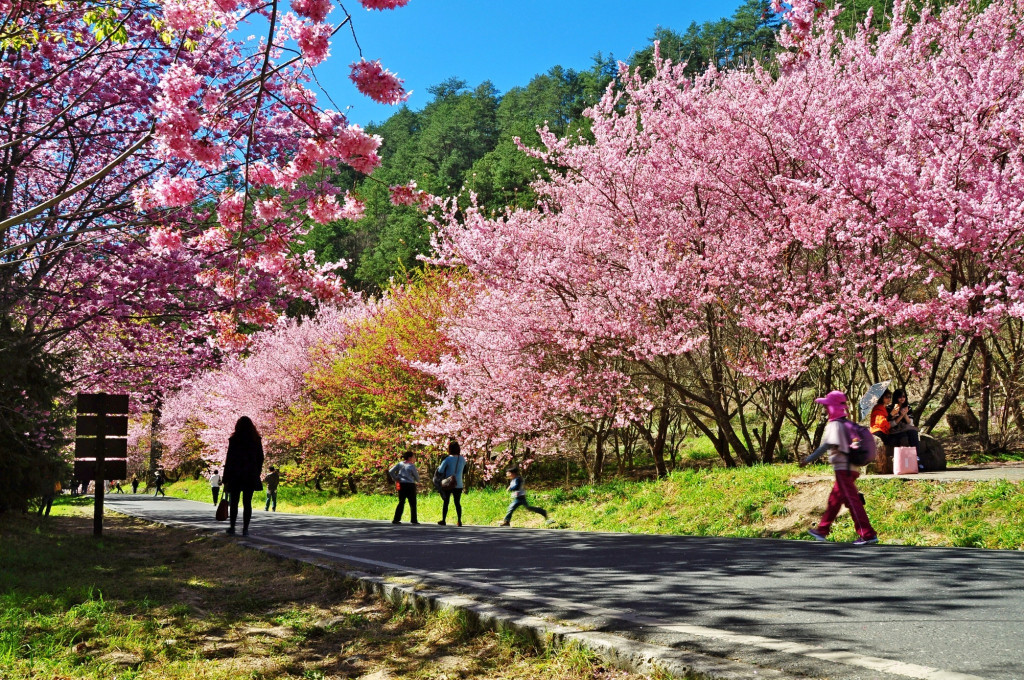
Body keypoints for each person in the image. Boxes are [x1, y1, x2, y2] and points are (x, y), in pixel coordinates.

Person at [800, 390, 878, 544]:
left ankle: (867, 533)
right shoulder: (847, 424)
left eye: (827, 406)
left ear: (832, 407)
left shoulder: (835, 425)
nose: (825, 409)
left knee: (852, 500)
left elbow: (828, 445)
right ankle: (822, 530)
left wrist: (809, 459)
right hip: (852, 468)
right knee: (834, 500)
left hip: (844, 469)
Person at [222, 416, 265, 536]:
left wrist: (226, 478)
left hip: (236, 475)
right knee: (247, 502)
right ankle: (245, 529)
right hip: (250, 475)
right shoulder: (256, 440)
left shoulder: (234, 439)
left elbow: (229, 459)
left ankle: (232, 527)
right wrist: (257, 472)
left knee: (234, 502)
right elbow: (260, 457)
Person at [436, 440, 467, 526]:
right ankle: (459, 520)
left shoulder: (448, 459)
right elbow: (465, 470)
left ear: (450, 449)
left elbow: (440, 470)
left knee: (446, 502)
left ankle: (443, 520)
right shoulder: (462, 459)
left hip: (448, 483)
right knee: (457, 502)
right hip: (459, 483)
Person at [388, 450, 420, 524]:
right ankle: (414, 519)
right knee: (412, 503)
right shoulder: (411, 466)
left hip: (401, 484)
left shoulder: (400, 464)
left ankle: (396, 519)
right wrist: (418, 481)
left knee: (401, 502)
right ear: (409, 458)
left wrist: (396, 478)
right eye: (413, 457)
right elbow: (416, 476)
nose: (414, 458)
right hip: (410, 485)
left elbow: (390, 471)